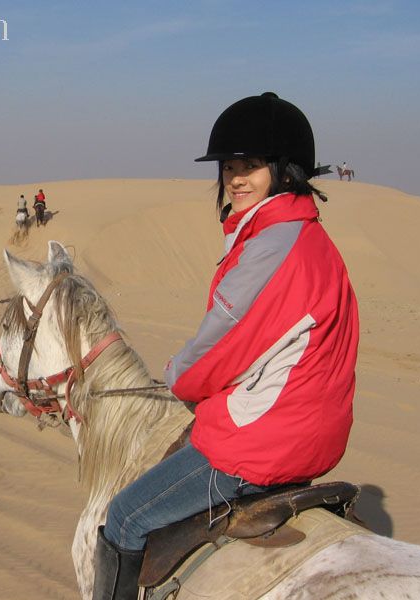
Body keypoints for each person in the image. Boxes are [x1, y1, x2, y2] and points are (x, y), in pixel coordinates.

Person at [91, 92, 359, 600]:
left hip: (263, 440)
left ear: (285, 172)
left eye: (251, 166)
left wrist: (176, 377)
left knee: (124, 516)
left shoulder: (271, 247)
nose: (235, 177)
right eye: (230, 166)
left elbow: (216, 352)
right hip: (312, 430)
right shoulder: (310, 239)